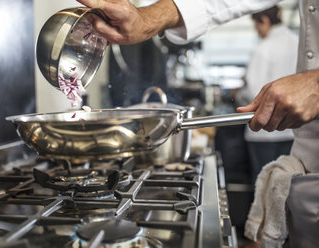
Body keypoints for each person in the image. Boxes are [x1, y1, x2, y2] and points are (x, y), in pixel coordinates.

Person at [76, 0, 319, 247]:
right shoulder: (290, 38)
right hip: (301, 156)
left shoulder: (263, 49)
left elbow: (253, 91)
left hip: (271, 135)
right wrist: (147, 19)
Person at [235, 6, 298, 183]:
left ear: (264, 20)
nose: (257, 32)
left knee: (264, 187)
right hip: (293, 129)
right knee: (289, 185)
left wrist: (239, 93)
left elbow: (254, 94)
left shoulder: (262, 49)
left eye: (257, 26)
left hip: (264, 132)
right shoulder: (298, 43)